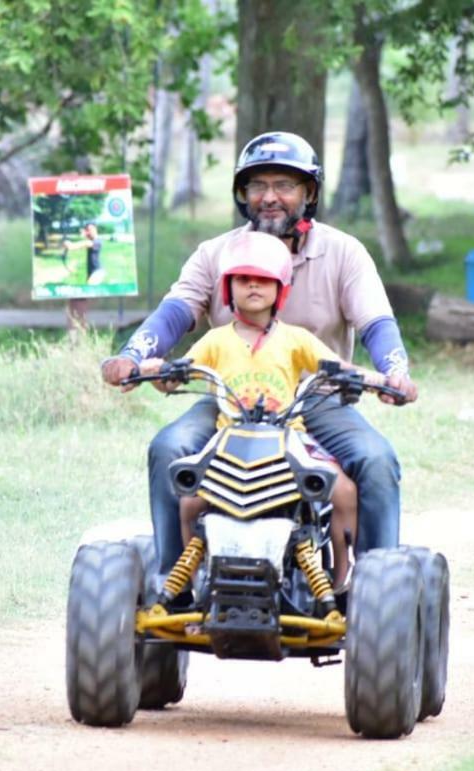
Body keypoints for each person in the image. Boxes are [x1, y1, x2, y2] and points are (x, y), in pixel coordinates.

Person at [100, 130, 418, 578]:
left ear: (308, 193)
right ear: (242, 194)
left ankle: (377, 583)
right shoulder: (215, 254)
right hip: (229, 397)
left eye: (285, 186)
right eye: (258, 186)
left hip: (316, 401)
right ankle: (173, 582)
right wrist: (133, 356)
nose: (271, 197)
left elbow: (376, 325)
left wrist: (394, 372)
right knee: (168, 447)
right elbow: (174, 313)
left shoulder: (343, 252)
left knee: (376, 460)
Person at [139, 231, 377, 589]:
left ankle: (345, 583)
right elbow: (179, 372)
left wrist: (374, 378)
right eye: (243, 279)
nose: (253, 286)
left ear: (280, 289)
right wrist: (157, 372)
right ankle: (187, 584)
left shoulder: (295, 337)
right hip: (228, 437)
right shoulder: (216, 339)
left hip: (288, 436)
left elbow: (336, 366)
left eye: (263, 280)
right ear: (227, 288)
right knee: (189, 503)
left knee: (342, 491)